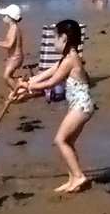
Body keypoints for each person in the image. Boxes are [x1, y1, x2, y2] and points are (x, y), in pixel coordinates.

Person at [13, 19, 93, 193]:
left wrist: (28, 87)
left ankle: (79, 176)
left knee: (60, 140)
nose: (53, 42)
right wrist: (27, 82)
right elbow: (46, 73)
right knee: (68, 142)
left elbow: (52, 82)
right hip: (79, 106)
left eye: (54, 38)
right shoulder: (67, 58)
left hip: (81, 106)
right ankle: (73, 178)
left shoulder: (70, 60)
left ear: (63, 38)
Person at [0, 4, 27, 88]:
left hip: (16, 57)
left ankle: (17, 91)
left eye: (5, 16)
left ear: (10, 18)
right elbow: (8, 42)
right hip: (12, 57)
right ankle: (18, 84)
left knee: (6, 76)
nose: (3, 18)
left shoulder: (14, 29)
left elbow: (9, 44)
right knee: (9, 75)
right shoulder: (12, 28)